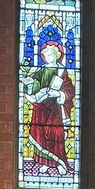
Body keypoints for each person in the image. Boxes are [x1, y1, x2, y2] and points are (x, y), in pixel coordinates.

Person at [24, 42, 73, 173]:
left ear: (56, 55)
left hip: (55, 108)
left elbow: (69, 89)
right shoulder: (40, 69)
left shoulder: (62, 70)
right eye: (45, 54)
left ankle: (59, 163)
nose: (47, 57)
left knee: (55, 134)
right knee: (40, 134)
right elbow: (35, 84)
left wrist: (58, 93)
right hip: (40, 107)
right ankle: (45, 162)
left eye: (50, 54)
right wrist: (29, 83)